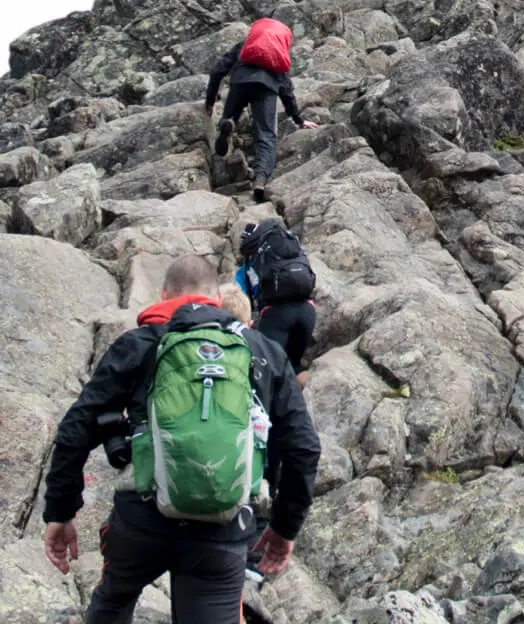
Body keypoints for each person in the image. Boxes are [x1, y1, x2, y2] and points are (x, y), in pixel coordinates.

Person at [43, 255, 321, 624]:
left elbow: (76, 427)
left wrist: (61, 512)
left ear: (162, 295)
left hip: (141, 520)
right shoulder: (261, 350)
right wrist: (284, 528)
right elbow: (303, 446)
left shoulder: (140, 344)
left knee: (113, 601)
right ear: (217, 301)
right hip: (222, 526)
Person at [205, 18, 317, 200]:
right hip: (267, 88)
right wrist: (299, 119)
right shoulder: (276, 55)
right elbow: (287, 91)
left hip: (239, 82)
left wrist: (210, 101)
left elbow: (217, 70)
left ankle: (228, 122)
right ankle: (260, 178)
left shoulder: (244, 46)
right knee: (266, 135)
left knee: (229, 116)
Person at [237, 220, 316, 382]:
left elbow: (238, 300)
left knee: (267, 369)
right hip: (307, 312)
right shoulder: (293, 252)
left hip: (276, 315)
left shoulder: (248, 266)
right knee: (294, 365)